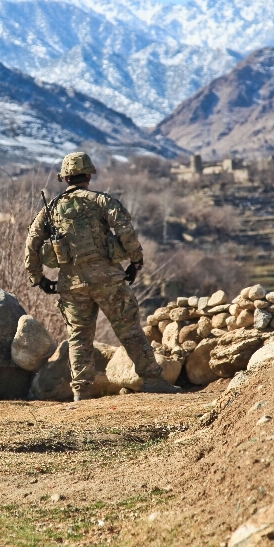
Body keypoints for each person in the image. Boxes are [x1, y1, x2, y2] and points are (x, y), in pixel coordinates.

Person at [24, 152, 181, 400]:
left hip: (71, 285)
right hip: (109, 281)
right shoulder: (101, 201)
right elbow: (125, 230)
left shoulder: (51, 209)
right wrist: (135, 260)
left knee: (79, 338)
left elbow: (32, 243)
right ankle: (152, 380)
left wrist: (38, 277)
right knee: (129, 331)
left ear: (65, 178)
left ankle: (82, 391)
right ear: (88, 175)